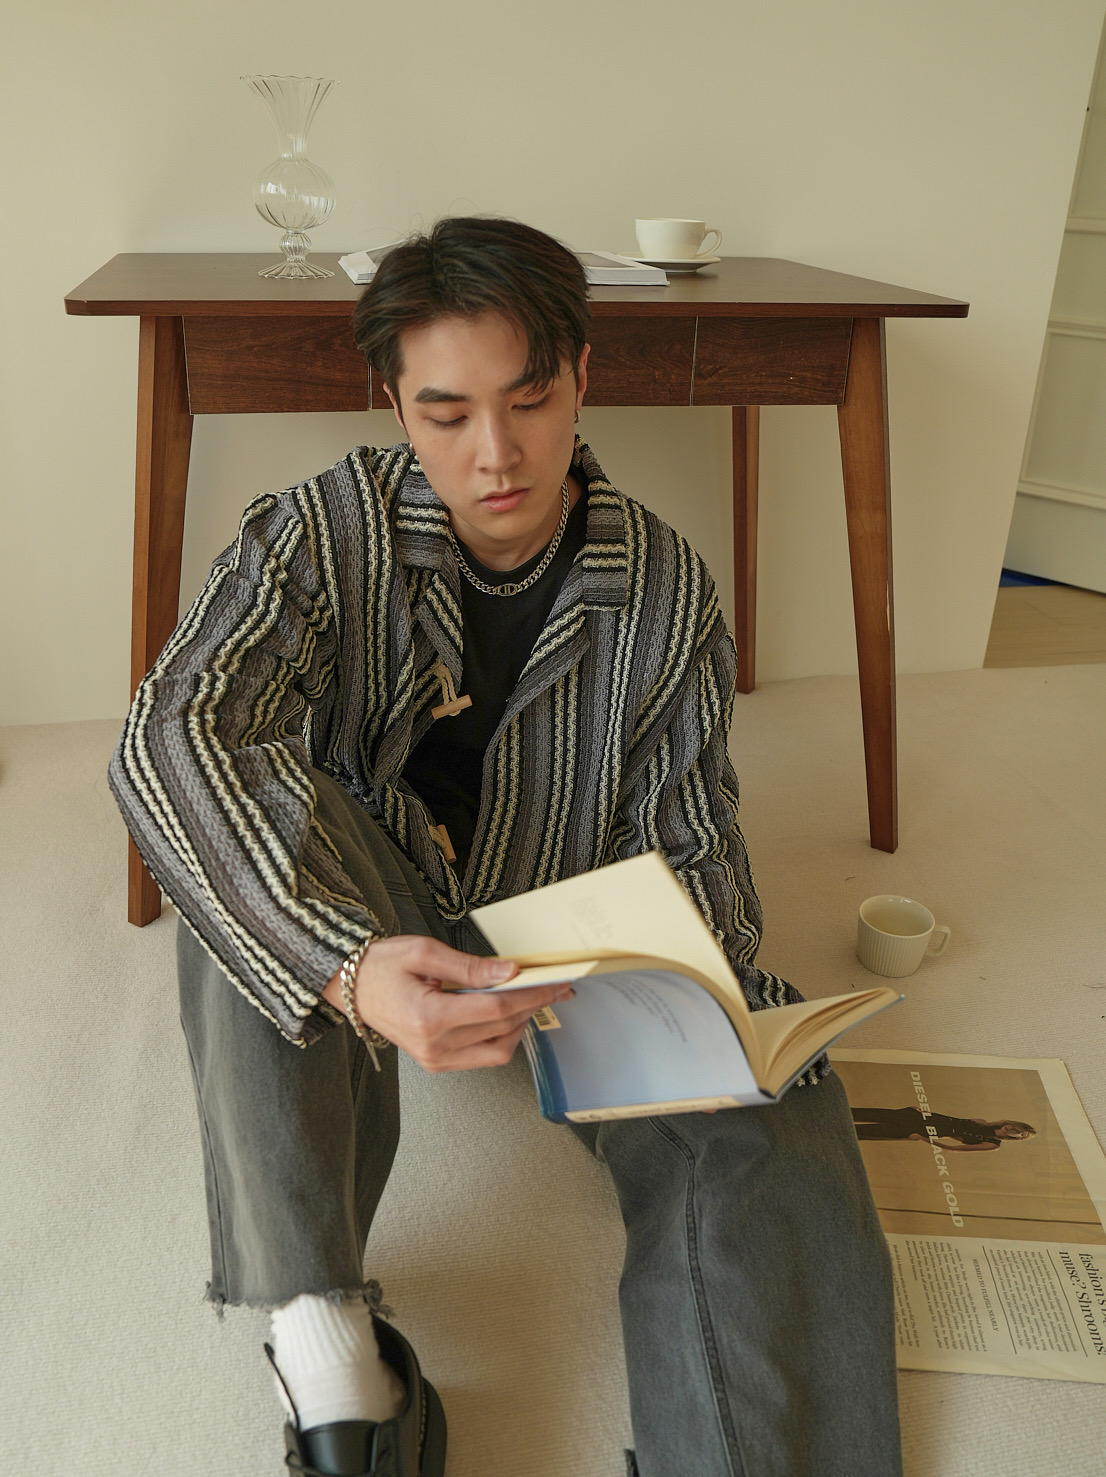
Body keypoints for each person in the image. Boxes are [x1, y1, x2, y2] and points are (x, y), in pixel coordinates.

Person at [108, 217, 902, 1477]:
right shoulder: (316, 532)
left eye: (529, 401)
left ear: (581, 375)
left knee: (773, 1087)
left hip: (567, 930)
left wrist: (694, 1002)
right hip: (369, 897)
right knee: (243, 831)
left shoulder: (667, 590)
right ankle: (330, 1351)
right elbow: (168, 732)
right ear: (393, 405)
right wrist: (344, 967)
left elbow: (692, 842)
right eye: (446, 413)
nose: (495, 453)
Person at [851, 1106, 1037, 1151]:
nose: (1014, 1130)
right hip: (921, 1117)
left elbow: (954, 1148)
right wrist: (923, 1112)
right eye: (1018, 1127)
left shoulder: (992, 1143)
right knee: (866, 1113)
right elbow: (950, 1120)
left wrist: (922, 1139)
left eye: (1019, 1133)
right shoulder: (981, 1121)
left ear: (1017, 1138)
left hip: (924, 1131)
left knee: (866, 1132)